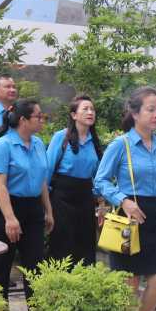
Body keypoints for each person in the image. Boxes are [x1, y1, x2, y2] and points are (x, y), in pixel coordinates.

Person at [93, 87, 156, 311]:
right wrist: (124, 200)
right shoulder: (121, 145)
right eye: (150, 109)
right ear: (135, 113)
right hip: (127, 221)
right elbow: (100, 181)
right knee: (128, 286)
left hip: (153, 221)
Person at [0, 98, 53, 300]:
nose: (42, 120)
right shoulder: (3, 145)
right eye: (39, 117)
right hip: (4, 207)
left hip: (32, 207)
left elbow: (42, 180)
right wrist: (10, 218)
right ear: (23, 120)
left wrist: (48, 210)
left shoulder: (38, 143)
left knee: (36, 264)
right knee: (1, 265)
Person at [46, 93, 104, 265]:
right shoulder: (61, 137)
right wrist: (45, 205)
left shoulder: (94, 141)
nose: (90, 112)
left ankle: (84, 284)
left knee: (85, 242)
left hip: (85, 197)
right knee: (62, 243)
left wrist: (101, 203)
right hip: (62, 197)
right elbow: (47, 170)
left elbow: (99, 176)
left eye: (92, 109)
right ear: (74, 115)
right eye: (85, 109)